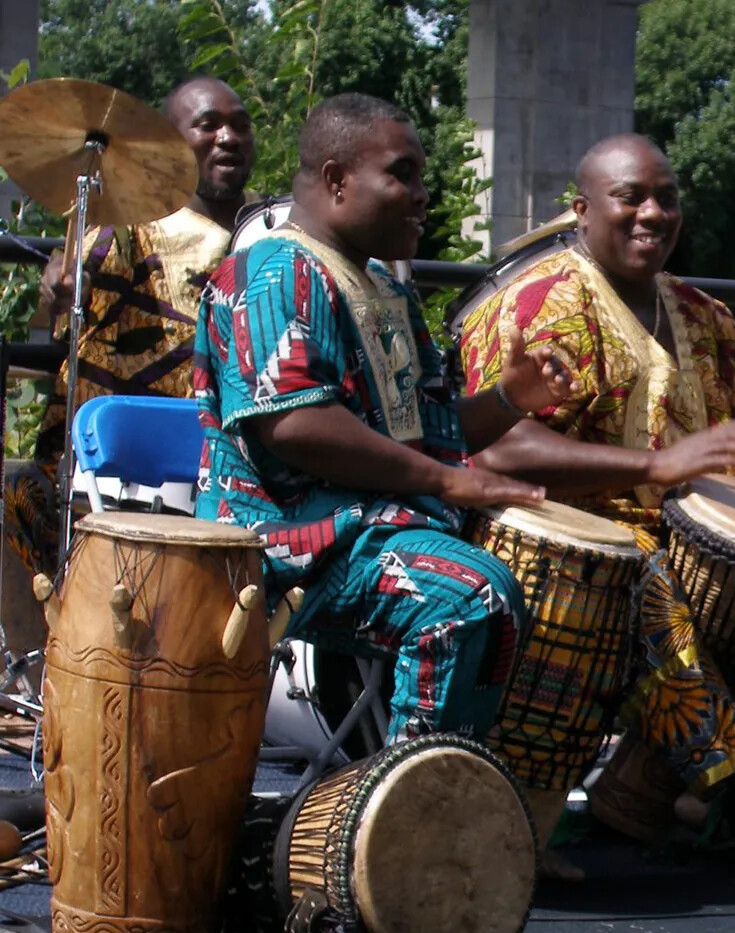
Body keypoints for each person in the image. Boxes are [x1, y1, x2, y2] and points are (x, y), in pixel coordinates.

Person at [457, 133, 735, 867]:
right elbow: (496, 447)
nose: (653, 213)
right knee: (654, 581)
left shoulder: (704, 316)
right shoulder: (541, 301)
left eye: (666, 198)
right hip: (559, 538)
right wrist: (656, 462)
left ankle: (648, 793)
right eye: (630, 197)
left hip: (679, 539)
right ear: (582, 210)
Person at [195, 93, 569, 751]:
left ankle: (484, 803)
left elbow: (426, 433)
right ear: (337, 179)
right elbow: (295, 426)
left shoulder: (384, 290)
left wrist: (509, 398)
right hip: (290, 540)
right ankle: (402, 812)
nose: (422, 195)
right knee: (468, 597)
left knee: (560, 584)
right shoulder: (271, 272)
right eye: (403, 174)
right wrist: (447, 483)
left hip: (378, 528)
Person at [5, 75, 257, 577]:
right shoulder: (130, 226)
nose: (227, 137)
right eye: (208, 126)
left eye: (239, 126)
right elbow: (75, 283)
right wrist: (63, 280)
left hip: (251, 463)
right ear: (168, 140)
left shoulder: (273, 231)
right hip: (135, 473)